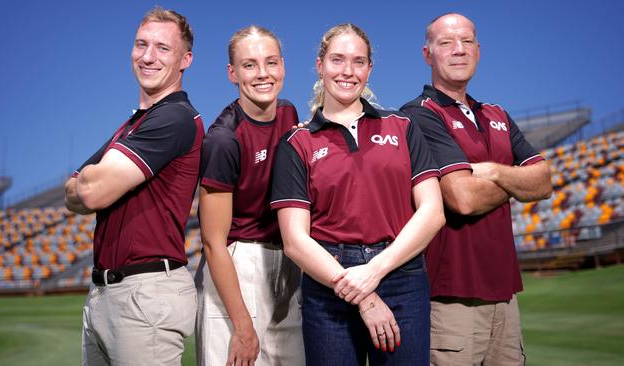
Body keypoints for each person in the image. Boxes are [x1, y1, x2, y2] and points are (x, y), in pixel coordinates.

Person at [271, 23, 445, 365]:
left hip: (401, 276)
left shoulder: (403, 127)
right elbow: (294, 240)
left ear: (369, 69)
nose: (347, 71)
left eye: (358, 61)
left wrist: (375, 270)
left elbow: (432, 212)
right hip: (329, 281)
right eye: (337, 60)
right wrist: (364, 296)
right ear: (320, 66)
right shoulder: (298, 143)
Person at [400, 13, 553, 366]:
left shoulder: (497, 114)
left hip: (506, 297)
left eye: (466, 41)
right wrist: (517, 180)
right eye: (446, 43)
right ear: (428, 55)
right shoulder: (419, 115)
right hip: (451, 299)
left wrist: (495, 173)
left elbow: (544, 182)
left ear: (478, 51)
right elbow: (463, 198)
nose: (458, 50)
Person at [64, 7, 204, 366]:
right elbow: (71, 193)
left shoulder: (174, 117)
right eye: (141, 44)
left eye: (162, 48)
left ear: (185, 59)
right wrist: (89, 183)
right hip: (107, 294)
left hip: (145, 295)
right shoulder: (133, 124)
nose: (148, 56)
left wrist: (90, 182)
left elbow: (91, 192)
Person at [194, 25, 304, 366]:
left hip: (288, 261)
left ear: (283, 66)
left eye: (271, 63)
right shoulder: (223, 140)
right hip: (238, 266)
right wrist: (242, 326)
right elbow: (214, 243)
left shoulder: (289, 113)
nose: (263, 74)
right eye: (249, 65)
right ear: (232, 73)